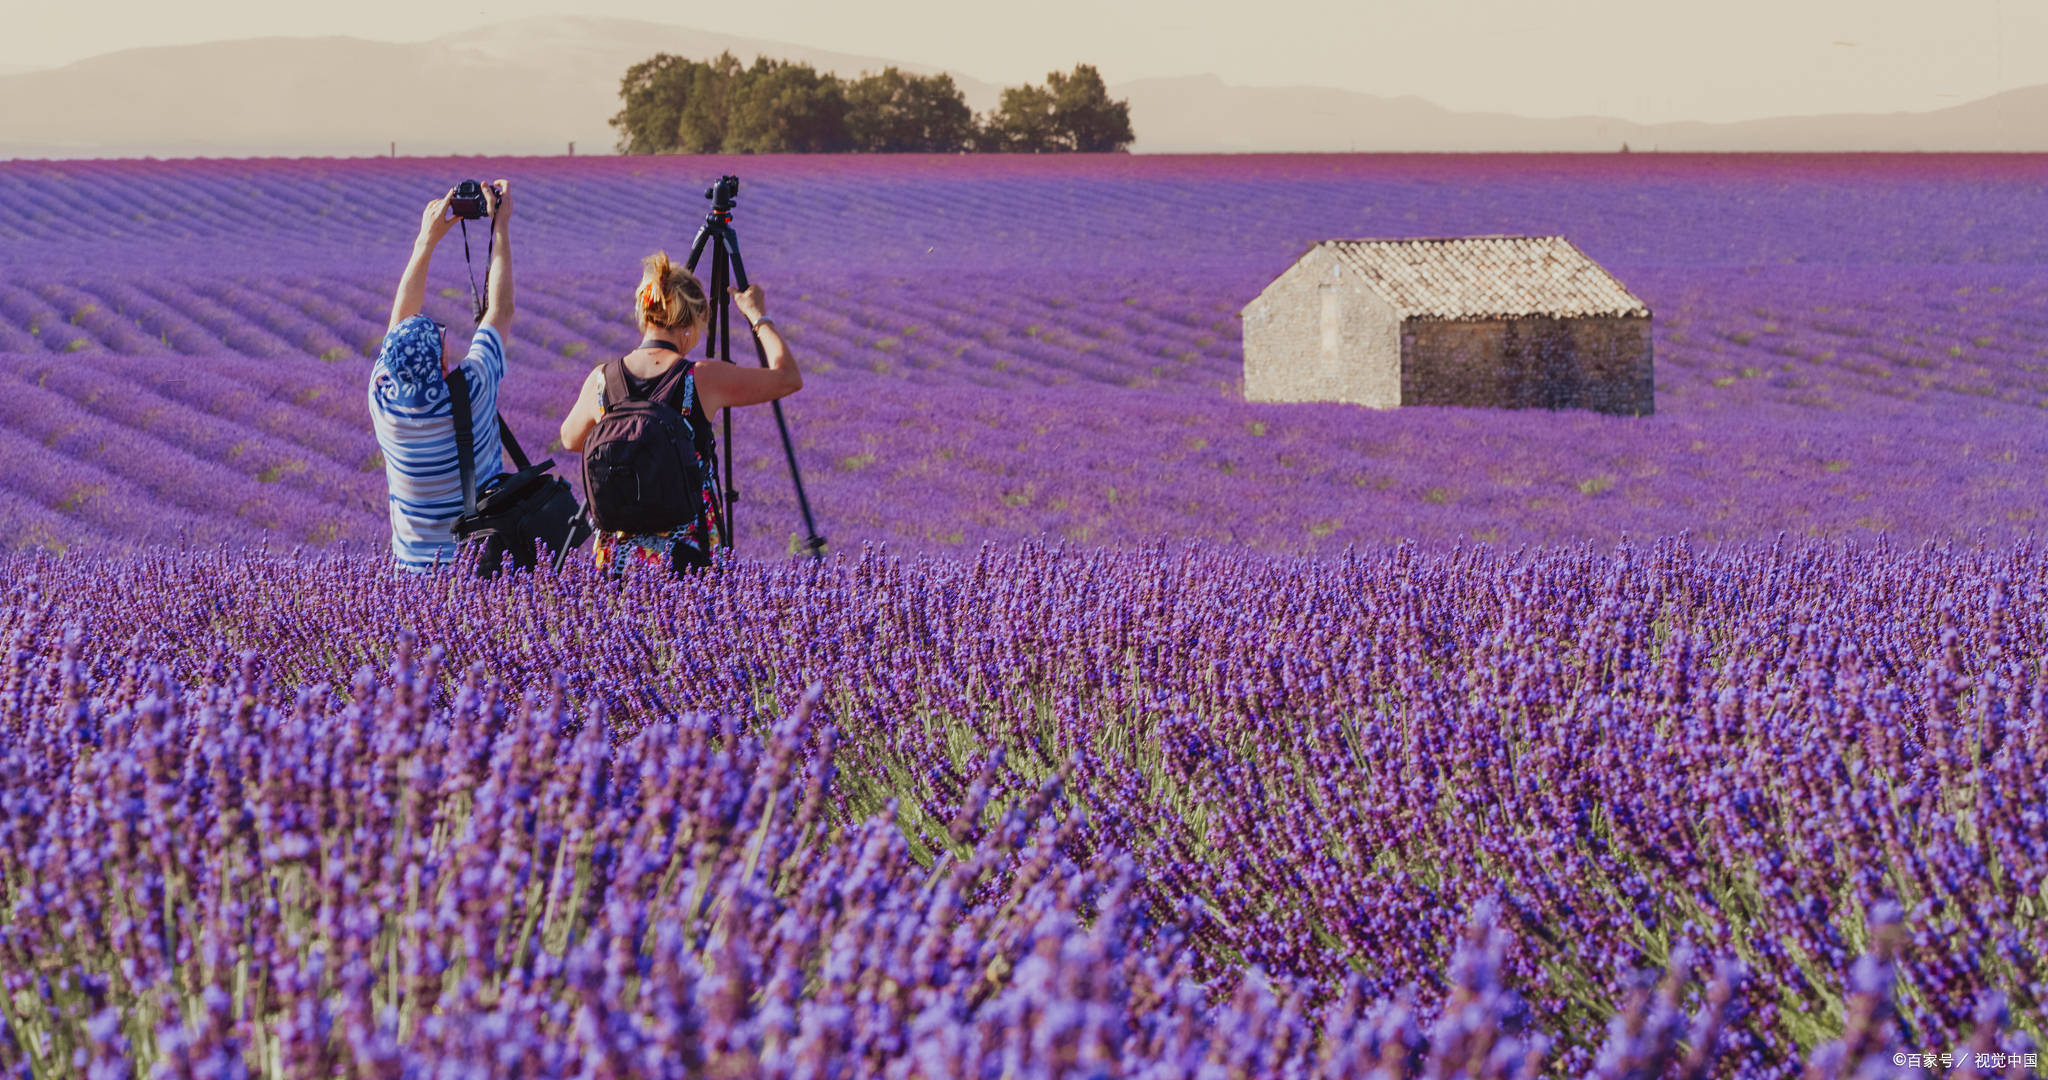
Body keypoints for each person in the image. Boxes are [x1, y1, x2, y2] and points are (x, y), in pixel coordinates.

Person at [557, 251, 801, 574]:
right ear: (690, 322)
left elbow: (570, 439)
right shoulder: (701, 378)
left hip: (617, 561)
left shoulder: (602, 380)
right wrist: (758, 316)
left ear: (645, 314)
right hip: (685, 562)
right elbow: (787, 378)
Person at [367, 180, 514, 572]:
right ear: (444, 364)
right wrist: (500, 228)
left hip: (412, 580)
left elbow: (396, 332)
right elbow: (499, 312)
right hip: (480, 571)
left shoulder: (382, 398)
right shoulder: (474, 387)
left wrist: (424, 243)